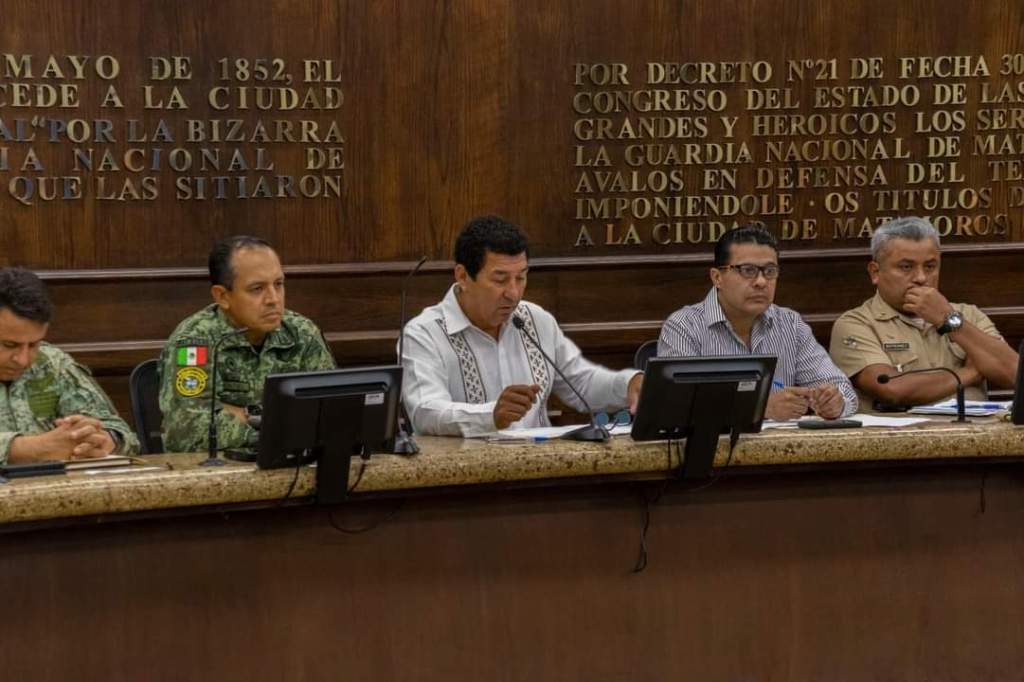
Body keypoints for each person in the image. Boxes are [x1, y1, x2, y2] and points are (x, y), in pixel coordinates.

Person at [401, 215, 642, 437]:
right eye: (500, 279)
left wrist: (628, 384)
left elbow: (582, 383)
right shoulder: (424, 333)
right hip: (466, 467)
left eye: (521, 277)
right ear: (463, 276)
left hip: (540, 462)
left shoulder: (536, 319)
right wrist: (490, 415)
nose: (514, 293)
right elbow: (424, 411)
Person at [658, 226, 857, 420]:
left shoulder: (790, 324)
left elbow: (844, 390)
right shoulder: (684, 326)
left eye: (769, 271)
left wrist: (834, 403)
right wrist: (759, 407)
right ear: (717, 277)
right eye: (748, 270)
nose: (761, 282)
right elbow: (677, 405)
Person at [159, 236, 336, 453]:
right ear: (222, 296)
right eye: (257, 288)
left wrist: (243, 415)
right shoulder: (194, 342)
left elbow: (331, 413)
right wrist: (278, 426)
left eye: (278, 284)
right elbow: (187, 431)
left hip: (293, 463)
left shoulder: (302, 333)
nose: (273, 299)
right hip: (217, 469)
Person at [830, 216, 1018, 407]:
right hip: (903, 427)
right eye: (906, 267)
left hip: (976, 425)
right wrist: (972, 372)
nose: (921, 278)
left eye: (930, 266)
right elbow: (891, 390)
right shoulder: (856, 324)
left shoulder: (969, 315)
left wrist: (948, 319)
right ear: (875, 272)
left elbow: (1016, 375)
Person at [0, 267, 139, 464]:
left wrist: (103, 441)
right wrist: (28, 449)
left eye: (33, 345)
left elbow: (121, 433)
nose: (23, 359)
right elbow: (37, 450)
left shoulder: (52, 363)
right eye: (9, 345)